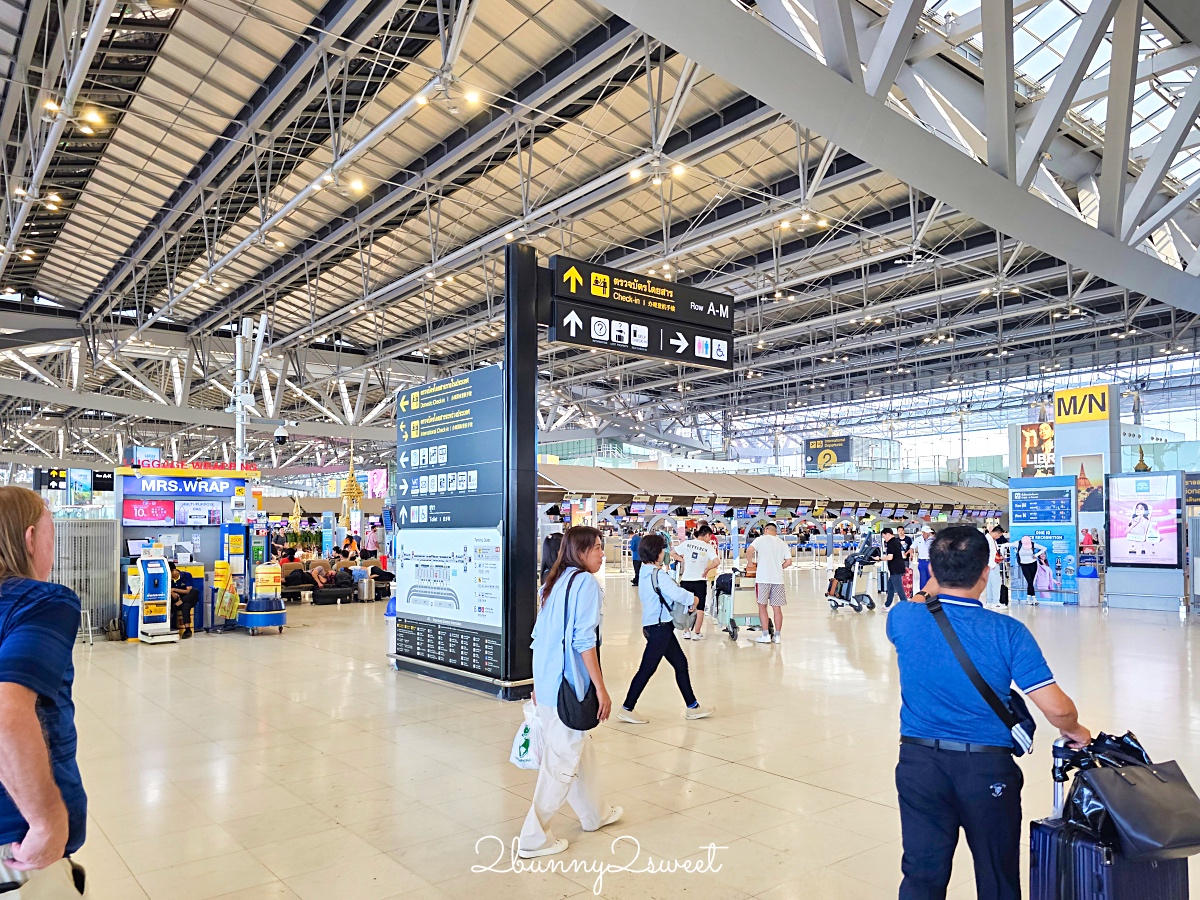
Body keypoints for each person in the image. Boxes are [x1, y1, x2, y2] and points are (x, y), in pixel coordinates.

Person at [888, 525, 1090, 900]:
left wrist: (930, 583)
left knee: (922, 873)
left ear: (931, 568)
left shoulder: (901, 618)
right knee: (997, 874)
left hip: (917, 765)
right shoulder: (1006, 632)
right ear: (987, 571)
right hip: (985, 770)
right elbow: (1057, 709)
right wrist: (1076, 730)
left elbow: (922, 599)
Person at [0, 486, 88, 894]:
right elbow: (6, 712)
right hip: (16, 839)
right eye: (53, 535)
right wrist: (47, 820)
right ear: (31, 538)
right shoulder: (40, 601)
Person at [519, 526, 621, 859]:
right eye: (596, 548)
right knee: (562, 760)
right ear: (580, 552)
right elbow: (583, 641)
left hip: (549, 683)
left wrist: (537, 683)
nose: (602, 554)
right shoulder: (586, 584)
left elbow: (539, 638)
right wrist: (601, 689)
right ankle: (534, 837)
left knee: (580, 751)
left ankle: (595, 814)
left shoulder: (555, 582)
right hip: (570, 687)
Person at [618, 534, 715, 725]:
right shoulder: (658, 574)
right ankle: (627, 707)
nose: (664, 553)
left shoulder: (645, 572)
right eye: (662, 549)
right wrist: (693, 599)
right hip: (659, 628)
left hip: (656, 625)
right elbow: (676, 593)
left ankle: (692, 706)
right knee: (646, 669)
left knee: (680, 663)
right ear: (656, 552)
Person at [746, 522, 792, 643]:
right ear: (775, 531)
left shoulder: (760, 540)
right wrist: (778, 567)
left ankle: (765, 635)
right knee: (777, 608)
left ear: (766, 530)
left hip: (763, 579)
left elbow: (749, 550)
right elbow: (788, 562)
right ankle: (777, 636)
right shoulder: (782, 543)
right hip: (778, 580)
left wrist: (750, 563)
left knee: (762, 607)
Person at [671, 525, 719, 640]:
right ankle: (697, 633)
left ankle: (687, 632)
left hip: (686, 580)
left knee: (686, 605)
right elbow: (717, 561)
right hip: (700, 580)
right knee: (700, 607)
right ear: (707, 535)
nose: (710, 539)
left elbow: (672, 553)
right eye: (710, 537)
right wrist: (707, 569)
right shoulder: (708, 547)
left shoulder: (687, 544)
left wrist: (684, 560)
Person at [168, 561, 199, 638]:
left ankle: (187, 630)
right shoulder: (168, 579)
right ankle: (187, 629)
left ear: (174, 571)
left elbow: (188, 590)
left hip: (188, 598)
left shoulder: (186, 575)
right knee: (185, 605)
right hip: (177, 601)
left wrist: (174, 589)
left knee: (194, 591)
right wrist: (171, 593)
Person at [882, 527, 908, 608]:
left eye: (884, 536)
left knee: (899, 588)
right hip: (898, 567)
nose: (884, 538)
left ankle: (906, 605)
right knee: (890, 586)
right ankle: (887, 604)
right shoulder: (897, 541)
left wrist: (880, 559)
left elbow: (890, 557)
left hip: (895, 569)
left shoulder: (891, 543)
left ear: (888, 534)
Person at [1015, 535, 1045, 601]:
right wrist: (1001, 553)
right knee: (1029, 581)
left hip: (1033, 564)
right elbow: (1004, 545)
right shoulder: (1017, 544)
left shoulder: (1033, 544)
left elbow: (1044, 548)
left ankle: (1028, 597)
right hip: (1024, 565)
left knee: (1031, 582)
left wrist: (1036, 555)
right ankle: (1034, 598)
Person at [984, 527, 1002, 607]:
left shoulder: (990, 539)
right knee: (995, 583)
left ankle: (990, 601)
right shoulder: (988, 540)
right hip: (992, 565)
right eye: (999, 536)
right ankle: (995, 602)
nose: (998, 538)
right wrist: (992, 564)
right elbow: (989, 554)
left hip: (989, 565)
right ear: (996, 533)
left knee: (989, 584)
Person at [913, 525, 934, 590]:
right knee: (923, 578)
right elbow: (912, 547)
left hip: (930, 561)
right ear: (923, 532)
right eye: (926, 533)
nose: (928, 534)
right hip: (922, 561)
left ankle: (930, 593)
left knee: (930, 578)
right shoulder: (918, 539)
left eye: (929, 533)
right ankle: (922, 593)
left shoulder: (932, 540)